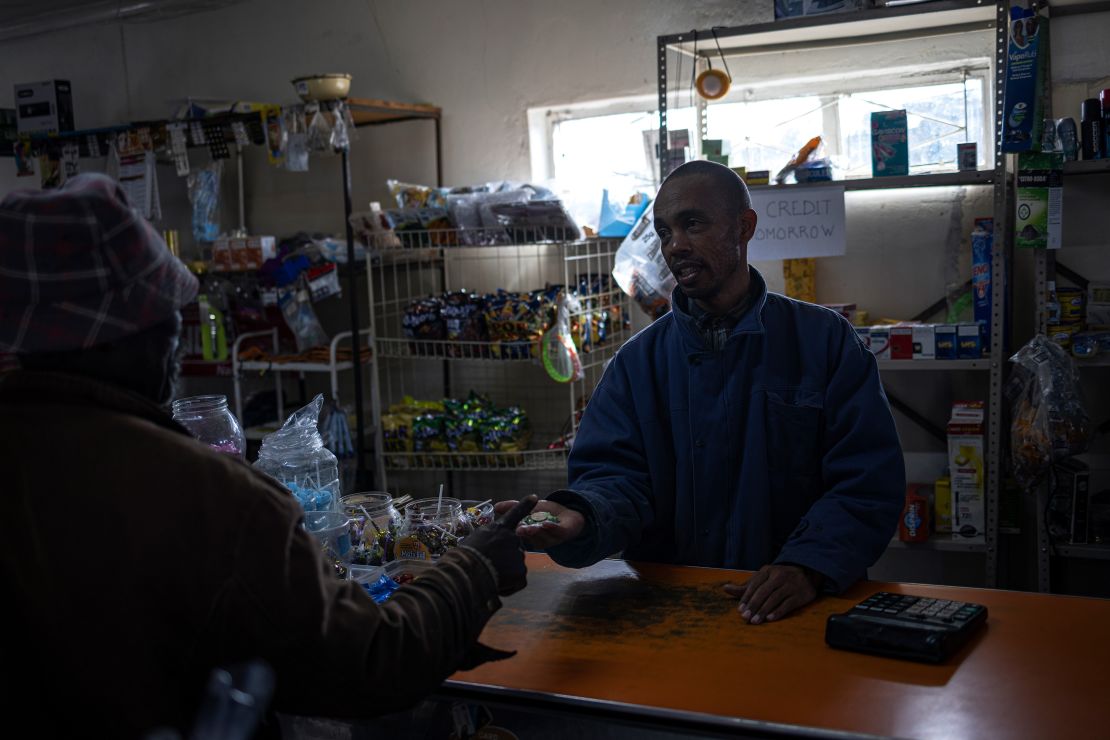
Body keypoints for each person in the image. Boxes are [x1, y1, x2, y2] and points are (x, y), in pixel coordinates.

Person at [0, 173, 536, 738]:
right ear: (118, 333)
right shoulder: (203, 495)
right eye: (168, 320)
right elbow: (366, 663)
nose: (178, 343)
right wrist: (474, 567)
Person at [506, 160, 905, 625]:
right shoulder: (637, 366)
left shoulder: (826, 343)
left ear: (744, 226)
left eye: (692, 223)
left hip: (797, 608)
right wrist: (580, 516)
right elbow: (615, 479)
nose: (676, 245)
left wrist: (809, 565)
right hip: (668, 613)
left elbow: (867, 480)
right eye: (664, 231)